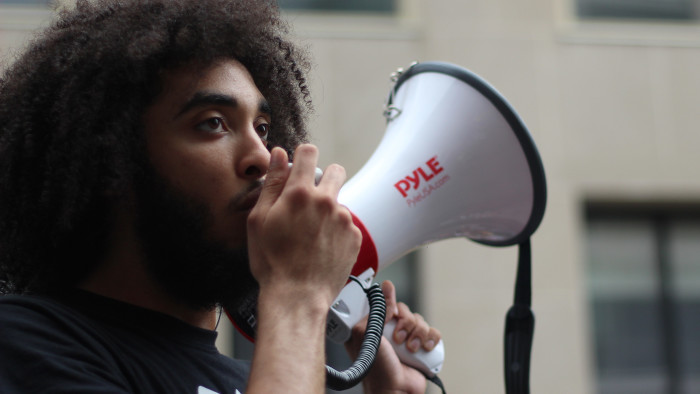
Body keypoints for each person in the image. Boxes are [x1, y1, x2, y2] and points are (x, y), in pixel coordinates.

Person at [0, 0, 442, 393]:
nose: (263, 157)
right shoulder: (25, 341)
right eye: (213, 122)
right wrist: (297, 292)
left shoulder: (256, 377)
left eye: (263, 129)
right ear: (112, 161)